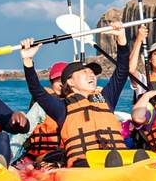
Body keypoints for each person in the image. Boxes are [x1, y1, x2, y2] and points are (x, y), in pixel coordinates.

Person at [20, 21, 146, 168]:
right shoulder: (61, 108)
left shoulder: (106, 98)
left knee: (140, 156)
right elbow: (37, 90)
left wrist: (121, 40)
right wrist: (27, 60)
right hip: (84, 164)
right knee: (106, 162)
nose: (91, 75)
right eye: (84, 72)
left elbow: (121, 72)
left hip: (117, 156)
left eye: (92, 73)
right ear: (70, 82)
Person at [14, 61, 68, 166]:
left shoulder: (76, 104)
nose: (61, 84)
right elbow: (21, 135)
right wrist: (8, 159)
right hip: (40, 158)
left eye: (64, 81)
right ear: (51, 83)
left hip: (65, 157)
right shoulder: (41, 106)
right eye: (57, 81)